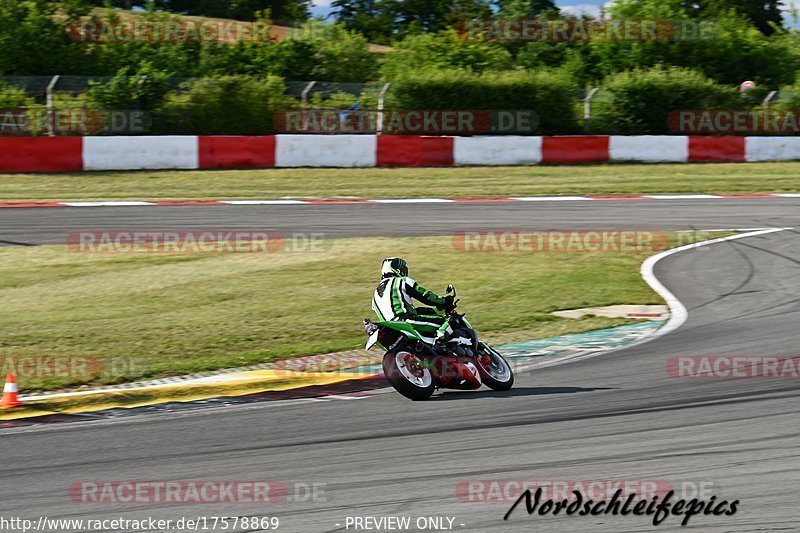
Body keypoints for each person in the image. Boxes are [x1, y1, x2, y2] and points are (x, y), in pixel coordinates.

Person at [372, 257, 455, 344]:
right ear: (397, 269)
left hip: (388, 328)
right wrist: (445, 301)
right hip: (405, 321)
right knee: (449, 321)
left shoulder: (375, 293)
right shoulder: (402, 281)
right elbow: (426, 296)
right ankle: (440, 343)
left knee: (426, 312)